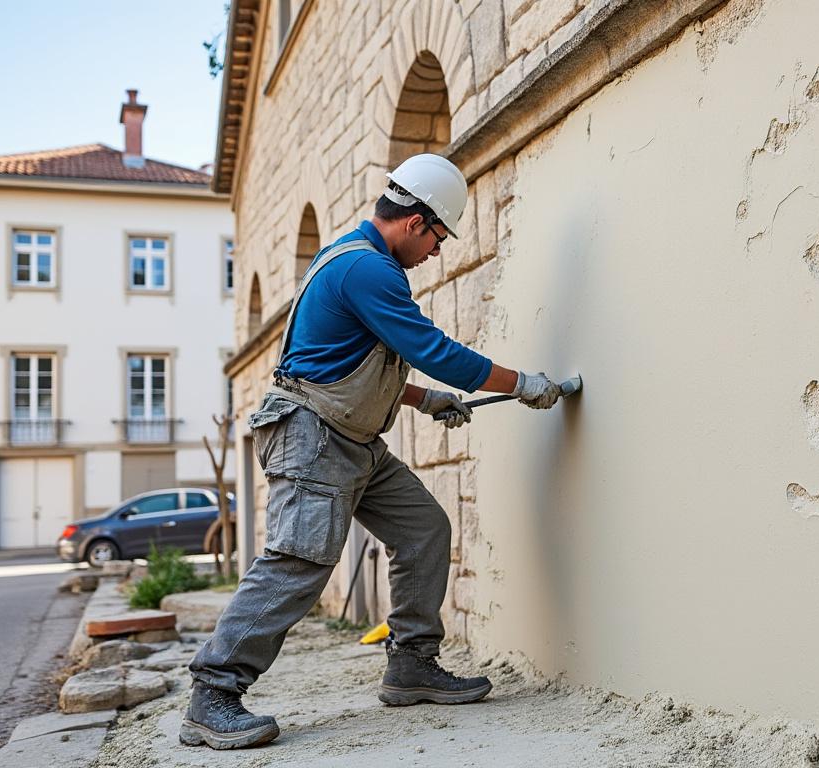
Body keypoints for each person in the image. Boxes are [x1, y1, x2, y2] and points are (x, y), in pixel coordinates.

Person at [180, 153, 563, 750]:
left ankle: (411, 665)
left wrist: (422, 399)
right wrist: (521, 383)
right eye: (438, 237)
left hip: (351, 439)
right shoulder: (367, 271)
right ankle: (213, 693)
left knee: (423, 531)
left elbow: (350, 360)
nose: (438, 250)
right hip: (315, 437)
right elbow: (435, 349)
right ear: (415, 223)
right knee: (299, 562)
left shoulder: (358, 261)